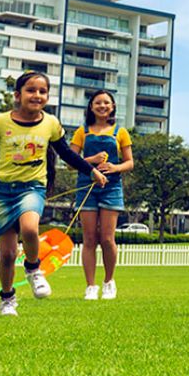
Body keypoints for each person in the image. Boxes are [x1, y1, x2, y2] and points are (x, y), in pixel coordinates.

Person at [0, 72, 107, 315]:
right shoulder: (1, 122)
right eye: (31, 90)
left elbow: (67, 154)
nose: (37, 95)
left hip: (32, 187)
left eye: (42, 91)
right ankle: (7, 299)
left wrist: (91, 171)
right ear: (18, 95)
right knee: (7, 254)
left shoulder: (51, 124)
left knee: (29, 229)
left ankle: (33, 268)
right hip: (4, 191)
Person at [69, 90, 134, 300]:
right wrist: (92, 159)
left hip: (112, 188)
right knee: (89, 239)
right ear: (91, 107)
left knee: (107, 238)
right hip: (87, 188)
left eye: (107, 103)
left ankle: (109, 281)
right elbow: (71, 161)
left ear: (113, 107)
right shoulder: (82, 131)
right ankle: (90, 286)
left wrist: (115, 168)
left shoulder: (121, 132)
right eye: (98, 102)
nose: (102, 106)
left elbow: (130, 162)